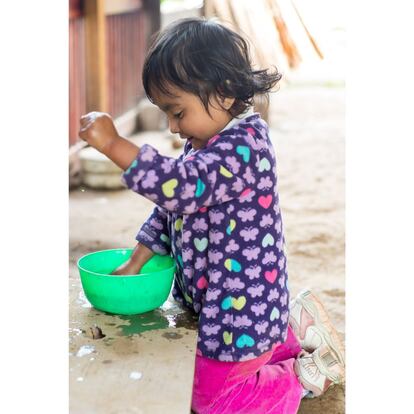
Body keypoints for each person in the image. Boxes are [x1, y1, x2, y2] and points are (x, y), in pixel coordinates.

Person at [78, 17, 344, 414]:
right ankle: (290, 332)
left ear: (224, 91)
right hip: (229, 305)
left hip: (239, 312)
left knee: (210, 398)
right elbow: (171, 209)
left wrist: (115, 145)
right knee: (207, 369)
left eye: (177, 112)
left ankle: (300, 378)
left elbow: (180, 188)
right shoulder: (207, 141)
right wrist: (136, 261)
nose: (172, 126)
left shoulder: (244, 148)